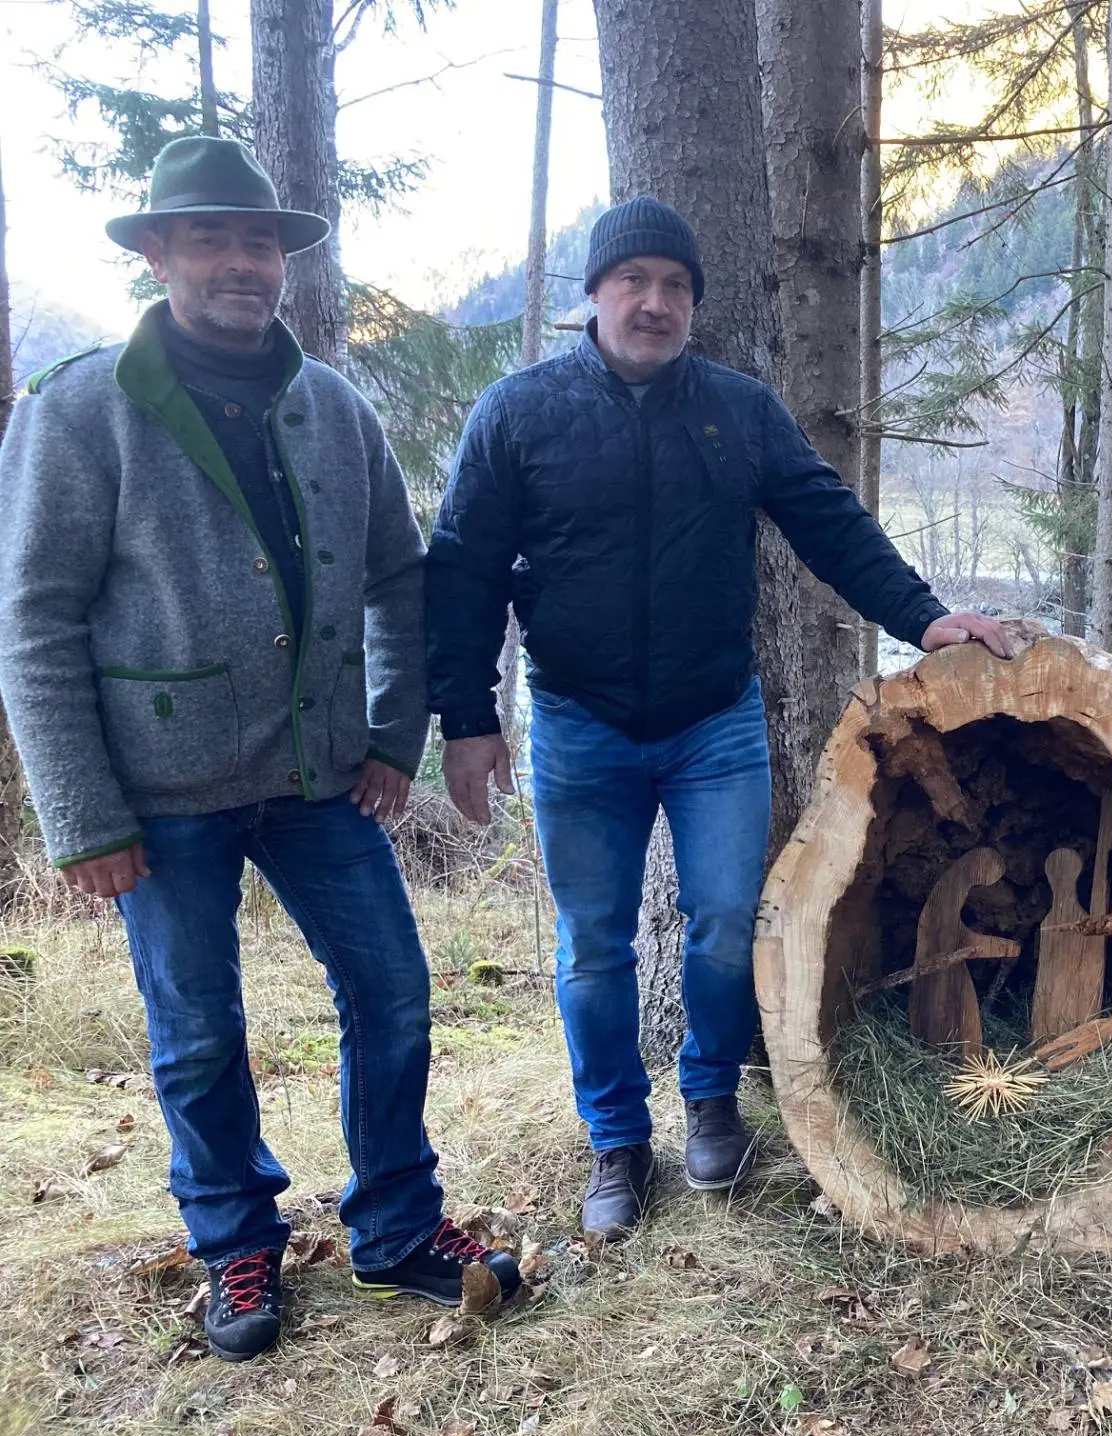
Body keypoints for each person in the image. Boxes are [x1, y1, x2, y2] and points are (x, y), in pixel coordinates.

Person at [0, 136, 521, 1365]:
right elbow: (33, 622)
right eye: (210, 239)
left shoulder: (332, 408)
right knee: (196, 1029)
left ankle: (395, 1227)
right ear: (158, 253)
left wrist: (393, 735)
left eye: (259, 243)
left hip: (316, 778)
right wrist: (82, 818)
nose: (241, 262)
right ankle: (236, 1235)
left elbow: (403, 580)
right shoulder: (79, 411)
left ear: (282, 262)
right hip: (158, 792)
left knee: (392, 990)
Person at [425, 195, 1010, 1239]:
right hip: (577, 722)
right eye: (635, 281)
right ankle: (614, 1140)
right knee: (595, 944)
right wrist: (466, 715)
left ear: (694, 303)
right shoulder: (517, 416)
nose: (655, 303)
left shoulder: (737, 411)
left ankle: (709, 1104)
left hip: (713, 723)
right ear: (594, 295)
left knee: (730, 922)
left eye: (676, 287)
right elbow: (463, 573)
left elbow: (828, 521)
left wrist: (923, 619)